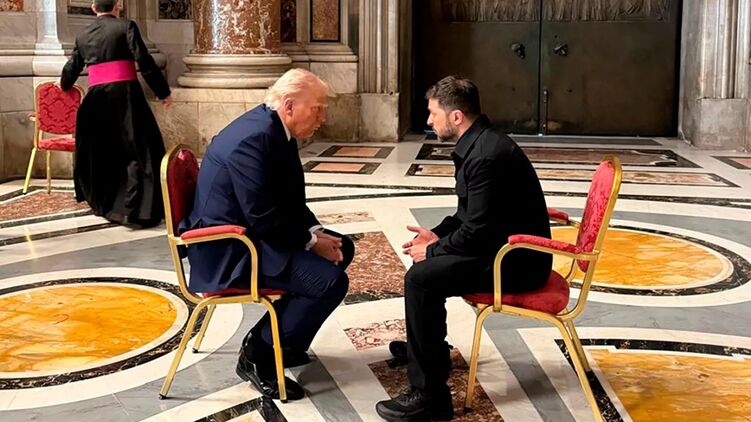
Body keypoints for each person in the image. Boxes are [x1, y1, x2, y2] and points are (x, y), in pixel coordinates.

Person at [375, 76, 553, 421]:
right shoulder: (481, 144)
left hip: (516, 263)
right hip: (501, 248)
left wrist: (433, 251)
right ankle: (429, 353)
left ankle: (430, 398)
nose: (429, 121)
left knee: (421, 279)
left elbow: (478, 231)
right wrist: (436, 236)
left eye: (433, 113)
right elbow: (467, 217)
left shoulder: (485, 156)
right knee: (425, 271)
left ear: (456, 116)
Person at [179, 68, 354, 400]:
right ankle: (258, 352)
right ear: (289, 105)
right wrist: (311, 242)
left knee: (343, 248)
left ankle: (285, 341)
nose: (323, 117)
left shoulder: (274, 128)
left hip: (252, 233)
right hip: (229, 249)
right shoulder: (254, 138)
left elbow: (287, 199)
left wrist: (315, 232)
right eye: (317, 108)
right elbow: (263, 217)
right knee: (329, 283)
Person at [60, 0, 172, 228]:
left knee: (103, 151)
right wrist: (162, 91)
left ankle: (106, 204)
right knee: (139, 149)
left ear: (93, 8)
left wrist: (64, 84)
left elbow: (72, 67)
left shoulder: (82, 34)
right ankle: (137, 208)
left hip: (96, 99)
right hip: (126, 96)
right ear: (117, 6)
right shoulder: (126, 26)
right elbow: (144, 60)